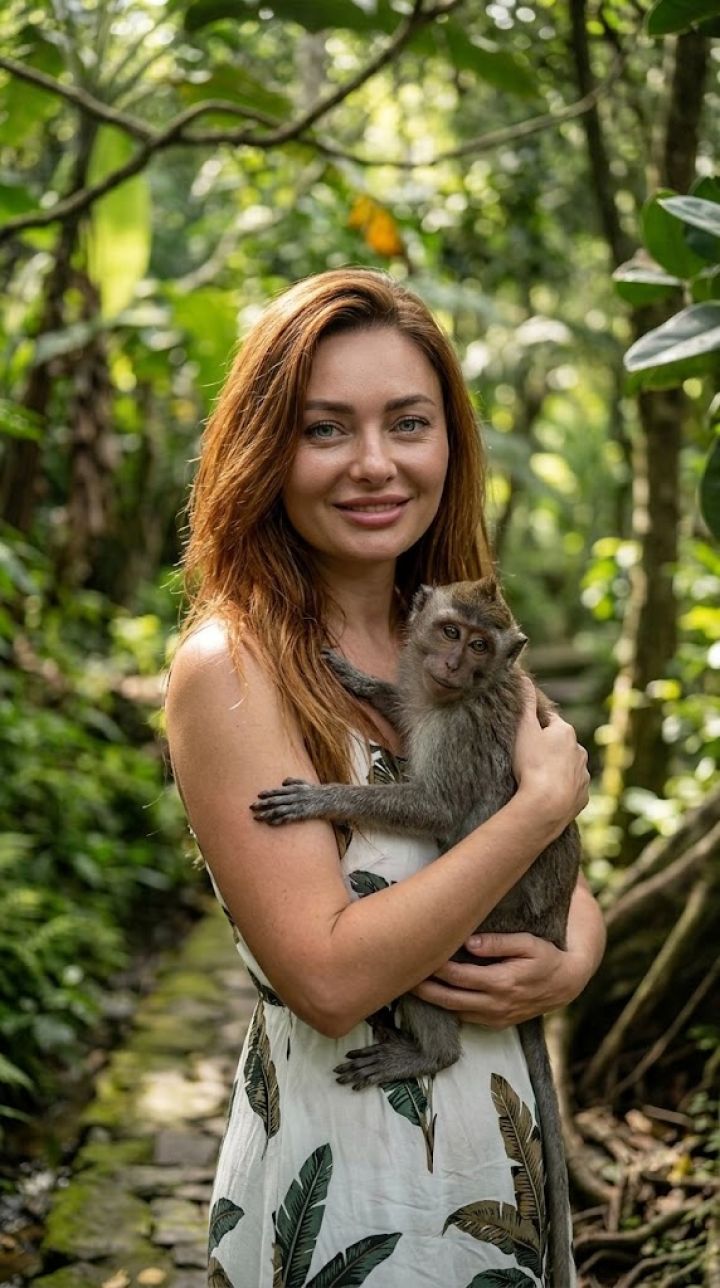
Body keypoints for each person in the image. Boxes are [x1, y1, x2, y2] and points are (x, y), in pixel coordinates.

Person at [165, 268, 603, 1287]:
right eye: (327, 429)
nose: (375, 464)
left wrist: (573, 962)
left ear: (449, 441)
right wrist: (542, 802)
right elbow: (329, 976)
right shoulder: (233, 667)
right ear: (267, 447)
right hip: (356, 1169)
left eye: (407, 422)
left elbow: (568, 890)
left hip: (502, 1145)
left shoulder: (459, 635)